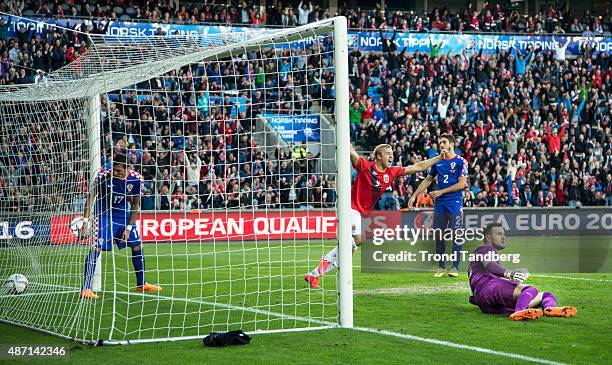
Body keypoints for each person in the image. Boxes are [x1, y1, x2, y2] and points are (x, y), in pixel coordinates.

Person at [304, 143, 445, 288]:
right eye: (387, 153)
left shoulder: (391, 172)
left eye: (392, 153)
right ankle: (323, 263)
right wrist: (343, 129)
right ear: (378, 156)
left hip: (360, 213)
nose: (391, 156)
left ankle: (313, 275)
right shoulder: (365, 166)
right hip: (349, 207)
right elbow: (351, 152)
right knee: (358, 240)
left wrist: (439, 157)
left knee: (348, 252)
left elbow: (418, 167)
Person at [80, 153, 161, 299]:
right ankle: (85, 288)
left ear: (127, 169)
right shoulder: (103, 176)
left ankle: (141, 284)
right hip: (104, 215)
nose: (115, 173)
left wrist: (129, 228)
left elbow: (135, 203)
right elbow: (90, 196)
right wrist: (85, 221)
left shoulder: (136, 179)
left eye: (118, 171)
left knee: (137, 245)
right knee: (96, 248)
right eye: (113, 170)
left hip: (123, 215)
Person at [468, 224, 577, 320]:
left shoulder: (479, 257)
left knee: (546, 295)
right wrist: (510, 274)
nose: (503, 237)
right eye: (499, 234)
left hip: (486, 303)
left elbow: (489, 271)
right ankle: (519, 312)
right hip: (489, 290)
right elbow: (490, 265)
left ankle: (550, 309)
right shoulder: (485, 249)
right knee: (530, 289)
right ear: (488, 237)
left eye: (504, 234)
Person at [408, 134, 467, 277]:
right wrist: (415, 195)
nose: (440, 144)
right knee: (439, 234)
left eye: (444, 142)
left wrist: (441, 192)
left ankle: (455, 267)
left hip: (454, 202)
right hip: (440, 204)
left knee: (456, 234)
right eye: (439, 142)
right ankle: (441, 267)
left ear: (451, 144)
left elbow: (462, 184)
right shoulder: (437, 162)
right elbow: (428, 180)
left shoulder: (461, 162)